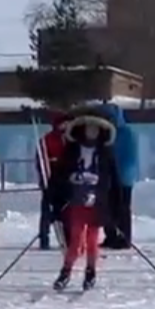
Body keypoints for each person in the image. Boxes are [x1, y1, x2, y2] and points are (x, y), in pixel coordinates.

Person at [51, 109, 119, 291]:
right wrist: (58, 195)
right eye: (89, 127)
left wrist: (114, 207)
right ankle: (65, 272)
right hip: (76, 200)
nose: (92, 131)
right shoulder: (72, 150)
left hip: (97, 203)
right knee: (75, 239)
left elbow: (113, 180)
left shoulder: (105, 153)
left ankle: (91, 272)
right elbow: (59, 174)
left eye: (96, 128)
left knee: (92, 239)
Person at [99, 104, 140, 250]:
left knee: (122, 208)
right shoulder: (107, 133)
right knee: (108, 207)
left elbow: (127, 157)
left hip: (123, 177)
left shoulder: (126, 133)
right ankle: (110, 235)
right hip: (110, 176)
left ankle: (124, 238)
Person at [37, 113, 67, 251]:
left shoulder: (70, 139)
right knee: (47, 211)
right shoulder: (47, 140)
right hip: (50, 179)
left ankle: (67, 238)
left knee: (66, 211)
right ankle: (44, 237)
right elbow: (41, 159)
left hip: (65, 180)